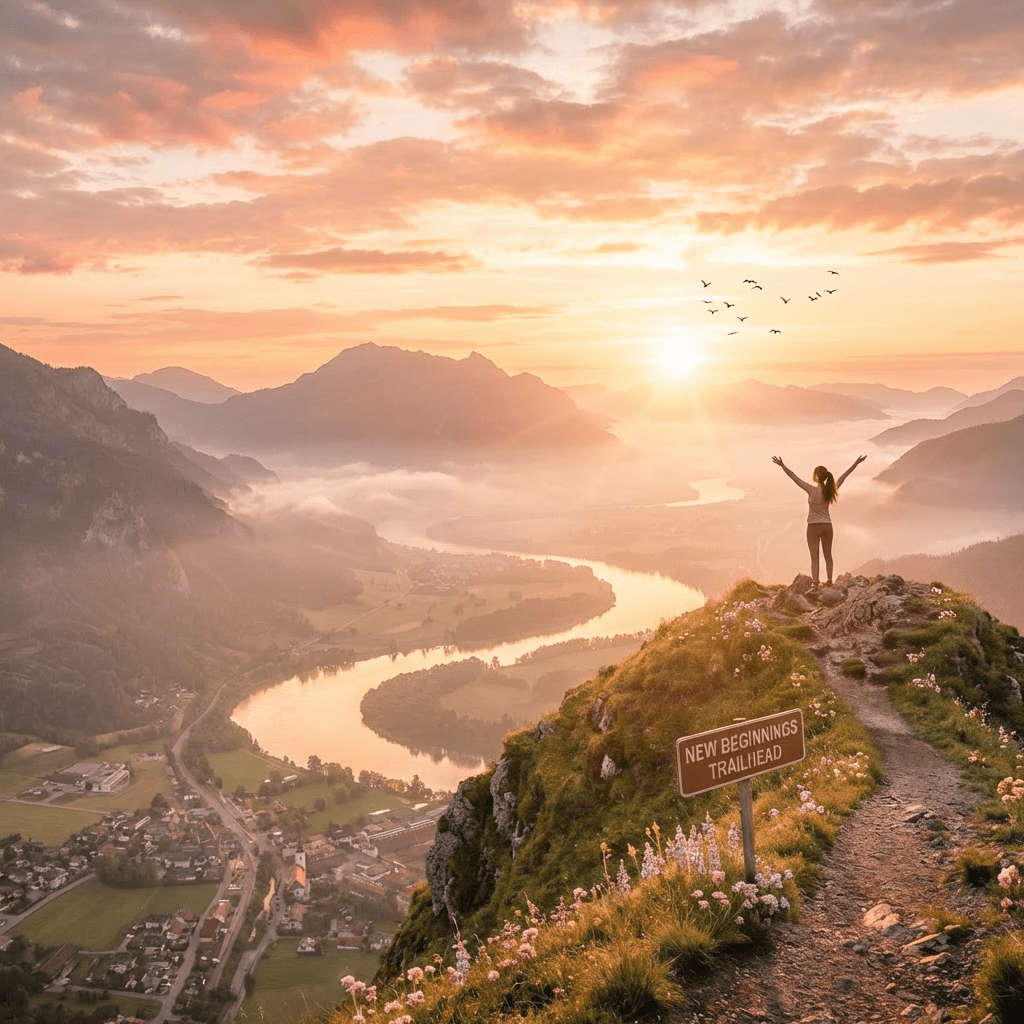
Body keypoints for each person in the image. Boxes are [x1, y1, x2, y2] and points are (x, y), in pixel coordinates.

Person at [772, 454, 867, 587]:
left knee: (814, 556)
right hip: (827, 526)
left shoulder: (811, 490)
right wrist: (856, 463)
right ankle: (829, 581)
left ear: (816, 476)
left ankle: (815, 582)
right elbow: (844, 477)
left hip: (813, 526)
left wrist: (782, 466)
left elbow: (794, 477)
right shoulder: (830, 489)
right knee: (828, 555)